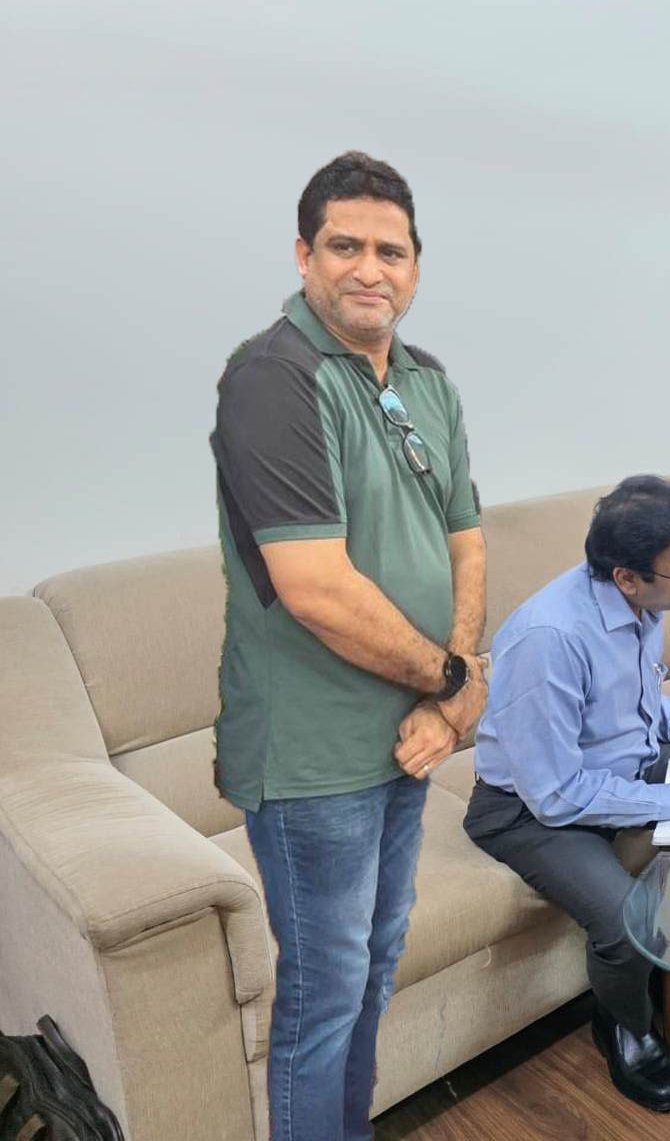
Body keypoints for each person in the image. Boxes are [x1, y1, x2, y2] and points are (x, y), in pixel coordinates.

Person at [211, 151, 487, 1139]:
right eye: (344, 247)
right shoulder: (273, 379)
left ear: (415, 266)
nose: (370, 269)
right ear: (304, 255)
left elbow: (466, 541)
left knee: (373, 965)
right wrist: (455, 679)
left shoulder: (427, 381)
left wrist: (450, 695)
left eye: (390, 251)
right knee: (324, 991)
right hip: (313, 758)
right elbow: (317, 591)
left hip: (408, 739)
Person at [465, 476, 670, 1114]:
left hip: (618, 769)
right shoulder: (549, 639)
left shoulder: (645, 606)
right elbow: (555, 794)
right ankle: (624, 1024)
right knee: (622, 918)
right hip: (528, 811)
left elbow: (632, 706)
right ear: (626, 577)